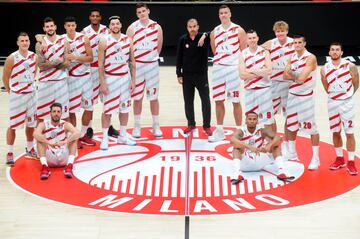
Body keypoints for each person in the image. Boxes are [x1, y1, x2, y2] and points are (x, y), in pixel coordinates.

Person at [209, 4, 247, 142]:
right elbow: (215, 50)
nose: (223, 15)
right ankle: (219, 131)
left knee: (235, 100)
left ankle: (239, 131)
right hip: (219, 68)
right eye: (221, 13)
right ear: (219, 15)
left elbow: (244, 51)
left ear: (230, 14)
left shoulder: (239, 30)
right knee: (218, 100)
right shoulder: (215, 31)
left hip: (233, 69)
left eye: (226, 12)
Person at [320, 42, 359, 175]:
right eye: (332, 50)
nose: (335, 52)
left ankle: (351, 162)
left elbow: (356, 83)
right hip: (332, 103)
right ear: (329, 52)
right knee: (335, 132)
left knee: (349, 133)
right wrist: (334, 96)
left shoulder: (350, 66)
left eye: (337, 50)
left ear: (342, 52)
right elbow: (325, 86)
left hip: (346, 103)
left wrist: (347, 96)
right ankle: (339, 158)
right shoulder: (324, 68)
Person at [98, 16, 136, 150]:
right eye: (112, 24)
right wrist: (102, 82)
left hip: (125, 79)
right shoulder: (104, 40)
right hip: (110, 78)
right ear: (109, 27)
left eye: (117, 23)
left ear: (121, 25)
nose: (115, 26)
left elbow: (132, 62)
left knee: (124, 108)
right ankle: (104, 138)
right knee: (107, 111)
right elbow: (100, 64)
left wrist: (134, 81)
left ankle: (123, 136)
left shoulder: (128, 39)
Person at [126, 3, 164, 138]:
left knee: (154, 97)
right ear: (137, 14)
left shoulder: (157, 27)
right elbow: (129, 50)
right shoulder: (132, 28)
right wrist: (133, 66)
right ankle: (136, 127)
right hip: (138, 66)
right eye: (139, 12)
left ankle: (156, 126)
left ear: (148, 11)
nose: (142, 13)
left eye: (144, 11)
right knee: (137, 98)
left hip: (152, 65)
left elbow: (159, 47)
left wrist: (151, 58)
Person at [283, 35, 320, 170]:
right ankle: (292, 153)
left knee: (311, 128)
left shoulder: (310, 57)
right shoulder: (291, 57)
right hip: (292, 95)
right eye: (295, 42)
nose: (297, 44)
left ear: (304, 43)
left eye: (299, 42)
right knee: (291, 125)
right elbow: (284, 75)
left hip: (305, 96)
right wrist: (295, 76)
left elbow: (302, 79)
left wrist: (292, 75)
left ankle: (316, 158)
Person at [2, 32, 38, 165]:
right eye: (22, 41)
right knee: (13, 125)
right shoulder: (12, 58)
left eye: (27, 40)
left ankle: (30, 149)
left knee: (31, 124)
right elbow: (5, 77)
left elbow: (34, 73)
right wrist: (11, 91)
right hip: (17, 95)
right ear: (18, 43)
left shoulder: (34, 57)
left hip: (31, 95)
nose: (25, 43)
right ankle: (10, 152)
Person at [82, 9, 119, 138]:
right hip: (91, 69)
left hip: (104, 68)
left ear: (100, 18)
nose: (95, 18)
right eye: (93, 16)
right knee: (91, 100)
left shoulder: (106, 30)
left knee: (107, 99)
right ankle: (90, 128)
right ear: (90, 18)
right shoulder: (84, 32)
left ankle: (109, 126)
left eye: (97, 16)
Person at [230, 112, 294, 185]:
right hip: (246, 162)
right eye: (250, 119)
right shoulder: (241, 131)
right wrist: (249, 147)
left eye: (254, 119)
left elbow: (278, 138)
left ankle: (282, 171)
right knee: (236, 148)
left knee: (275, 145)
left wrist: (268, 147)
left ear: (257, 121)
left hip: (259, 158)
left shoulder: (262, 130)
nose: (252, 121)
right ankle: (236, 173)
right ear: (246, 121)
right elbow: (232, 140)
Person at [261, 21, 294, 154]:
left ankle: (286, 143)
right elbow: (255, 49)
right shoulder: (270, 43)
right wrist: (262, 47)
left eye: (282, 31)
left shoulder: (293, 43)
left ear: (287, 31)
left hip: (288, 83)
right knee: (269, 114)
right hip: (273, 83)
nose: (280, 33)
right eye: (278, 31)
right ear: (275, 32)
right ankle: (273, 141)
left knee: (289, 116)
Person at [63, 16, 95, 148]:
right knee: (72, 110)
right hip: (71, 78)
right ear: (65, 26)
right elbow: (42, 36)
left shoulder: (84, 38)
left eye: (73, 25)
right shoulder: (61, 40)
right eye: (68, 25)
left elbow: (91, 58)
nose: (71, 27)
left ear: (76, 26)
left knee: (89, 108)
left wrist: (76, 57)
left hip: (86, 77)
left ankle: (82, 134)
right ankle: (74, 137)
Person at [176, 18, 212, 135]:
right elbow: (179, 57)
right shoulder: (183, 39)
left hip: (201, 75)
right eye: (190, 27)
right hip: (187, 76)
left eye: (194, 26)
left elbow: (216, 31)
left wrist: (205, 35)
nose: (192, 29)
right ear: (187, 28)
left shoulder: (204, 38)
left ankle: (206, 126)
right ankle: (191, 124)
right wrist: (179, 74)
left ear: (198, 27)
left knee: (205, 101)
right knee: (188, 101)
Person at [33, 102, 80, 180]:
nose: (56, 114)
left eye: (58, 112)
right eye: (54, 111)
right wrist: (48, 143)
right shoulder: (43, 124)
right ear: (50, 113)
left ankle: (69, 166)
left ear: (61, 113)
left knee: (74, 138)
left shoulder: (65, 124)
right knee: (39, 140)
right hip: (50, 156)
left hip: (63, 156)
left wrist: (65, 142)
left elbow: (77, 133)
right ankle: (45, 167)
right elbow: (35, 134)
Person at [35, 17, 70, 121]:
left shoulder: (64, 41)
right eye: (47, 27)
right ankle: (40, 137)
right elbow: (41, 65)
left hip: (61, 82)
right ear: (44, 29)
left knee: (64, 115)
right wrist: (58, 61)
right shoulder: (39, 44)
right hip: (45, 82)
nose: (50, 28)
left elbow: (67, 64)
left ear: (55, 27)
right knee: (41, 116)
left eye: (51, 26)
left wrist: (50, 63)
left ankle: (66, 137)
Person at [239, 29, 273, 129]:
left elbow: (269, 71)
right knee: (250, 119)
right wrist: (260, 71)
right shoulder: (243, 53)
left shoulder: (264, 52)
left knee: (267, 120)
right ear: (246, 40)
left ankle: (269, 142)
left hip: (264, 89)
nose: (252, 40)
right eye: (250, 38)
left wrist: (250, 70)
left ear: (257, 38)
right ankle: (251, 140)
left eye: (254, 37)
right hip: (250, 91)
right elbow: (242, 75)